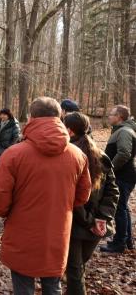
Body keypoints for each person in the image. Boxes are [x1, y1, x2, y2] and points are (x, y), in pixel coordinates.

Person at [0, 97, 91, 295]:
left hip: (21, 233)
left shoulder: (13, 154)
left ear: (31, 117)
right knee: (53, 287)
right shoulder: (77, 155)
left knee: (23, 288)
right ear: (60, 116)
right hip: (57, 232)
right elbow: (82, 197)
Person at [64, 112, 119, 295]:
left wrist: (97, 219)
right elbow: (112, 191)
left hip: (78, 225)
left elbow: (72, 197)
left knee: (75, 271)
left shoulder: (70, 157)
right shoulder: (100, 154)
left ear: (69, 131)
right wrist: (100, 219)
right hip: (92, 225)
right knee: (76, 269)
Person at [100, 105, 136, 253]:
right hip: (124, 175)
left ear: (119, 116)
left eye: (111, 114)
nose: (109, 116)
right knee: (123, 208)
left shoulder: (125, 131)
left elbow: (124, 153)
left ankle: (119, 243)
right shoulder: (122, 130)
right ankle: (126, 240)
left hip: (123, 176)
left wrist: (110, 169)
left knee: (119, 209)